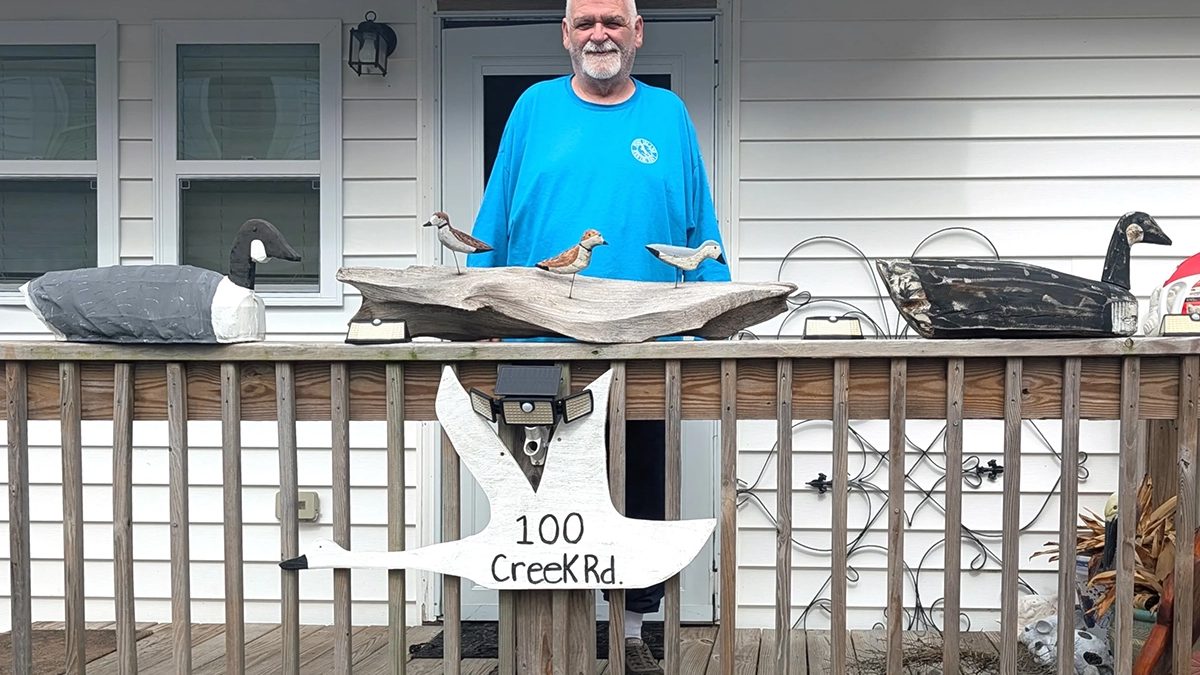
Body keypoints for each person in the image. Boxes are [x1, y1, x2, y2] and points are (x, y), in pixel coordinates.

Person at [468, 0, 729, 672]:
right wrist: (479, 312)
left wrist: (710, 321)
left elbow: (702, 229)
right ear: (565, 35)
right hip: (538, 345)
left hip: (644, 347)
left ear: (639, 33)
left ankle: (633, 633)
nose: (599, 34)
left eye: (612, 21)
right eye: (585, 23)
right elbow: (494, 216)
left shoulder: (667, 118)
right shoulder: (532, 109)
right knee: (537, 493)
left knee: (641, 486)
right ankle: (540, 640)